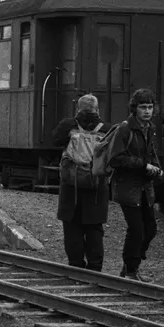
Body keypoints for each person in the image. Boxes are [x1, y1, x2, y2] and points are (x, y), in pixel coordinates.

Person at [106, 88, 164, 281]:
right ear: (134, 109)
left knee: (150, 230)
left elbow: (149, 155)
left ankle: (130, 265)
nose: (147, 111)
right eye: (143, 107)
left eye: (150, 107)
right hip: (127, 188)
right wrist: (142, 165)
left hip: (144, 188)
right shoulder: (125, 129)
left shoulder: (150, 129)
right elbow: (115, 158)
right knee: (137, 230)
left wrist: (155, 168)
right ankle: (131, 271)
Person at [50, 94, 109, 271]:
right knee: (94, 227)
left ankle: (76, 266)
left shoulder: (68, 126)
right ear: (97, 110)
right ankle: (95, 268)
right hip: (97, 185)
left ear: (78, 109)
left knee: (72, 226)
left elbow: (55, 141)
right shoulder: (106, 129)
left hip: (71, 185)